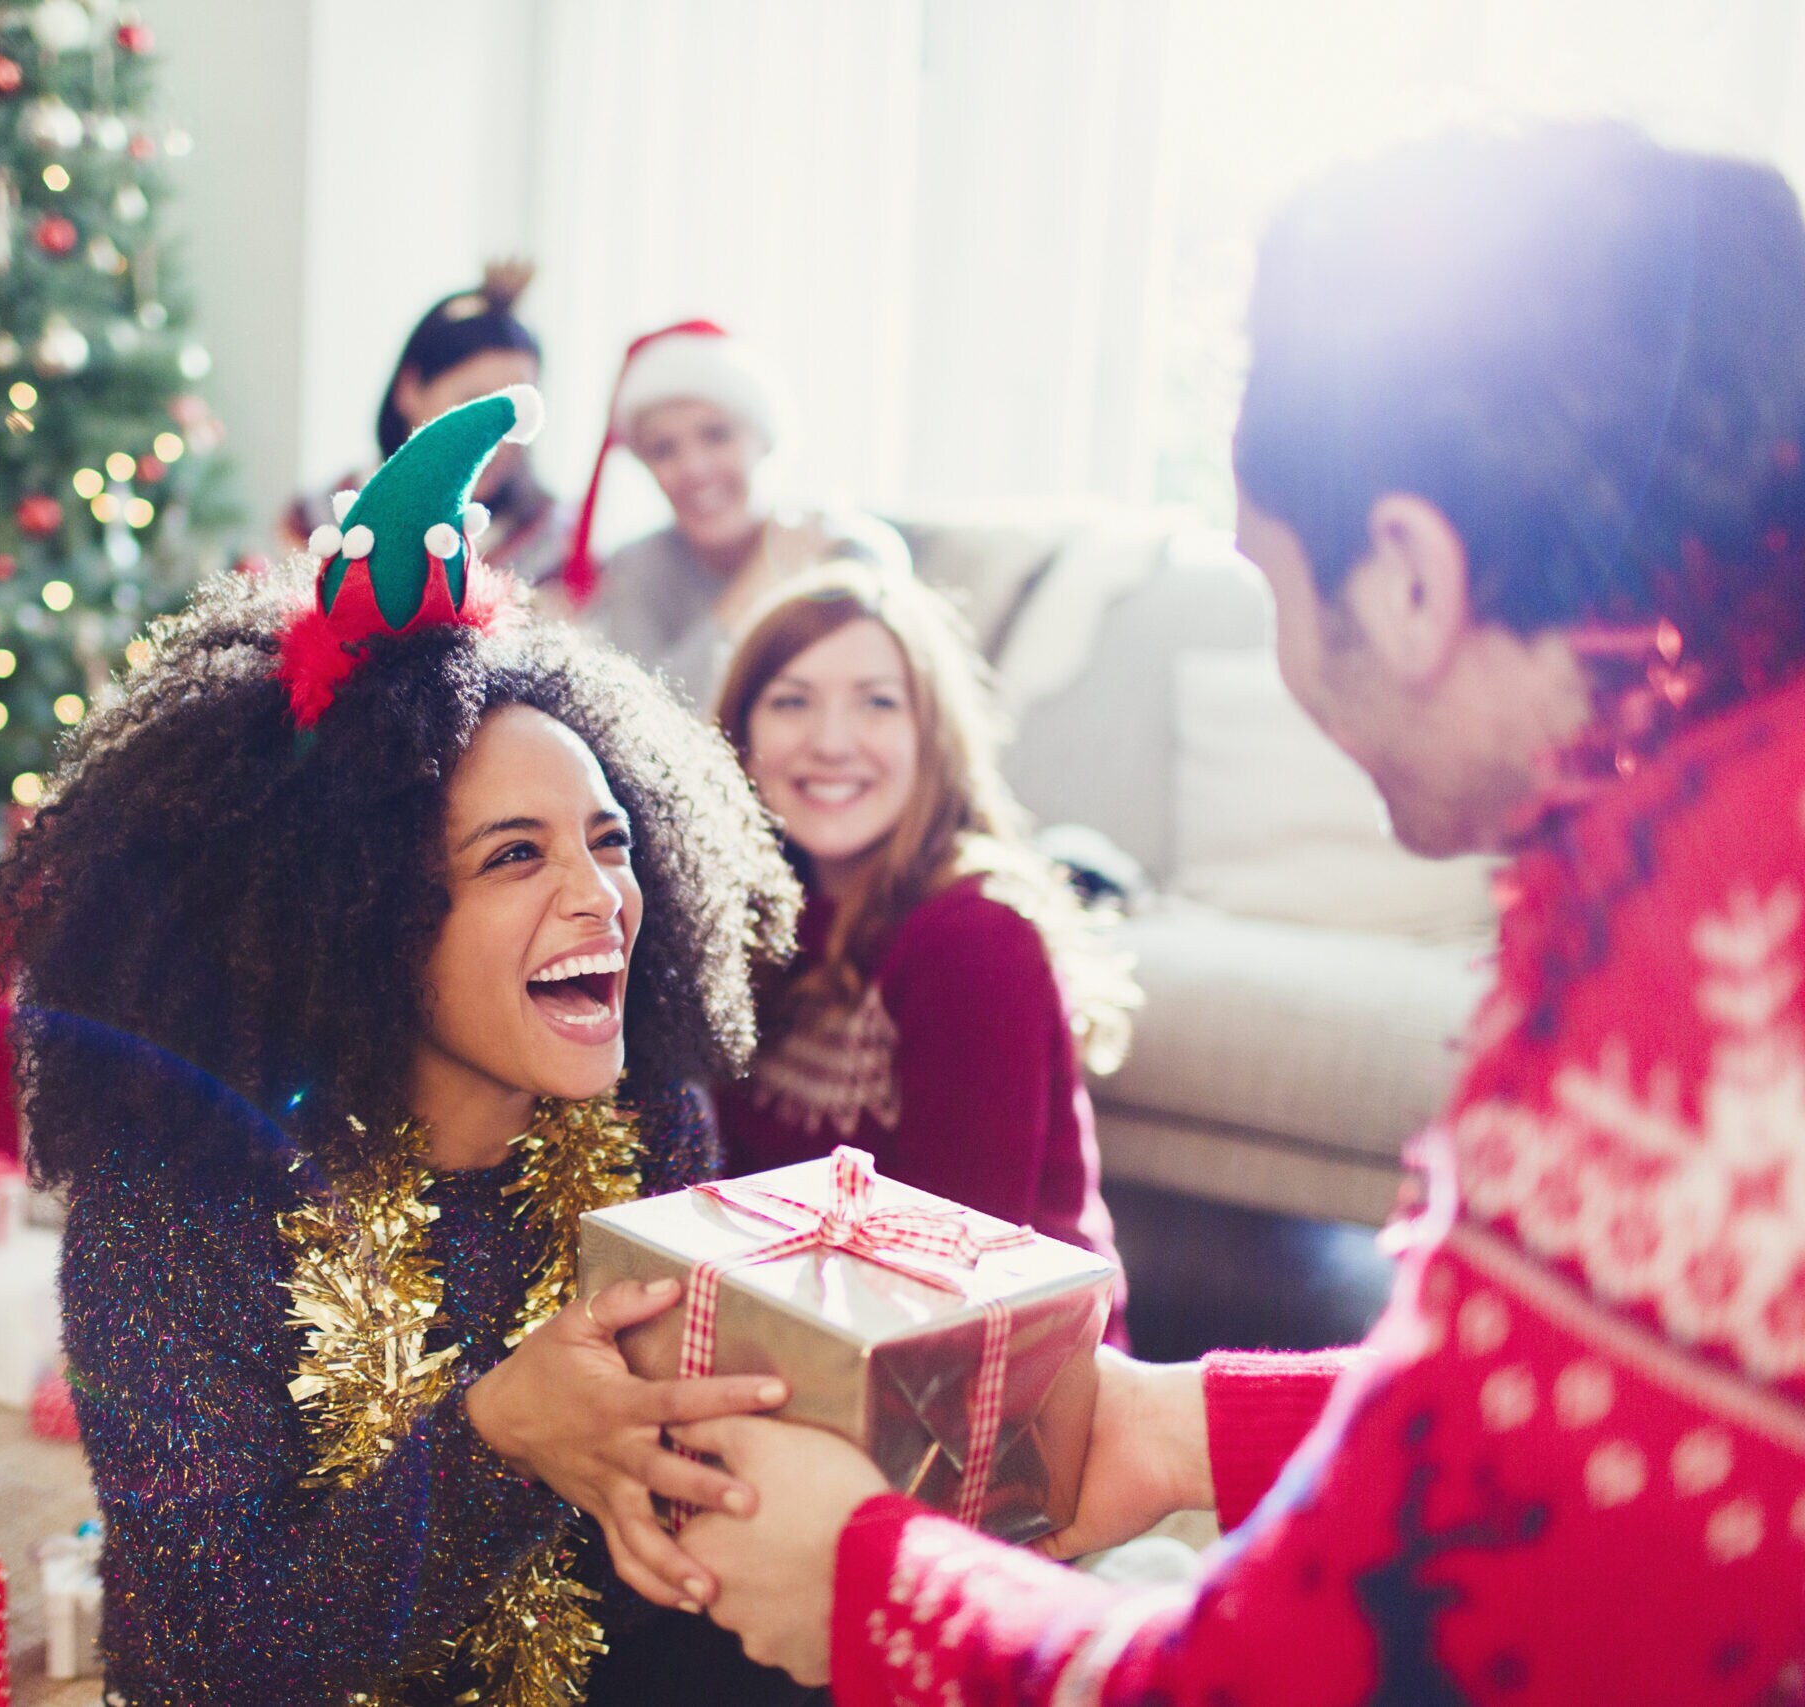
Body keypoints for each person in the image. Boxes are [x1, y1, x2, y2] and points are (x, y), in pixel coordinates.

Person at [666, 124, 1805, 1703]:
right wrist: (1173, 1422)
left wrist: (869, 1583)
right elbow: (1555, 1427)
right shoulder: (1720, 790)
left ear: (1408, 576)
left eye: (1269, 585)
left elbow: (1283, 1675)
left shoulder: (1701, 982)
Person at [0, 387, 813, 1706]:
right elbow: (216, 1655)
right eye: (513, 855)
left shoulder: (651, 1118)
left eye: (609, 839)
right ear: (358, 915)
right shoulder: (177, 1195)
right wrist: (499, 1439)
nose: (602, 896)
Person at [711, 566, 1135, 1308]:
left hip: (1003, 1360)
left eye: (877, 702)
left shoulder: (977, 938)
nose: (832, 741)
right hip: (802, 1321)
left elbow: (955, 1277)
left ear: (931, 736)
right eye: (790, 700)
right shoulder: (751, 916)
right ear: (742, 737)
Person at [561, 321, 910, 700]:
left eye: (717, 435)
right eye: (663, 449)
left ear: (763, 440)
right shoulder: (637, 566)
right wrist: (762, 577)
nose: (694, 468)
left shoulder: (850, 550)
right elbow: (647, 716)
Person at [280, 262, 576, 586]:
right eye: (472, 403)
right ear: (410, 388)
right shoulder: (316, 524)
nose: (496, 440)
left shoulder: (558, 546)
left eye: (516, 415)